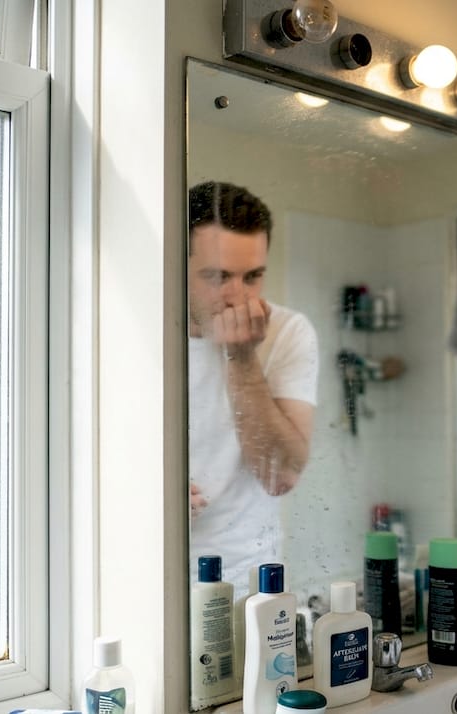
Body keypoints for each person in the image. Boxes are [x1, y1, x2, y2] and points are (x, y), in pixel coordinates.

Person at [187, 181, 319, 591]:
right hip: (142, 571)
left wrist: (241, 356)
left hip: (248, 581)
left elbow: (281, 477)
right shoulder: (131, 330)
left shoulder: (287, 331)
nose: (237, 297)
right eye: (217, 276)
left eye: (252, 277)